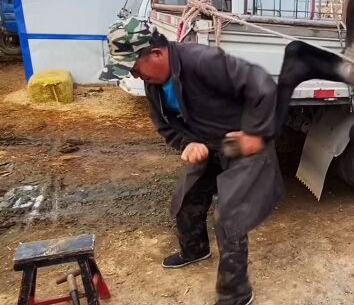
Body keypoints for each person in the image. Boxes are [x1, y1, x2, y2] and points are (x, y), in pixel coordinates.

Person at [100, 17, 284, 305]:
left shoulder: (203, 61)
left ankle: (236, 294)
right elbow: (164, 125)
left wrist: (256, 134)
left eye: (135, 68)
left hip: (243, 144)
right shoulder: (154, 82)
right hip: (209, 144)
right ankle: (195, 249)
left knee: (229, 216)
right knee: (186, 198)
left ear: (157, 54)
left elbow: (263, 87)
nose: (135, 76)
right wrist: (188, 143)